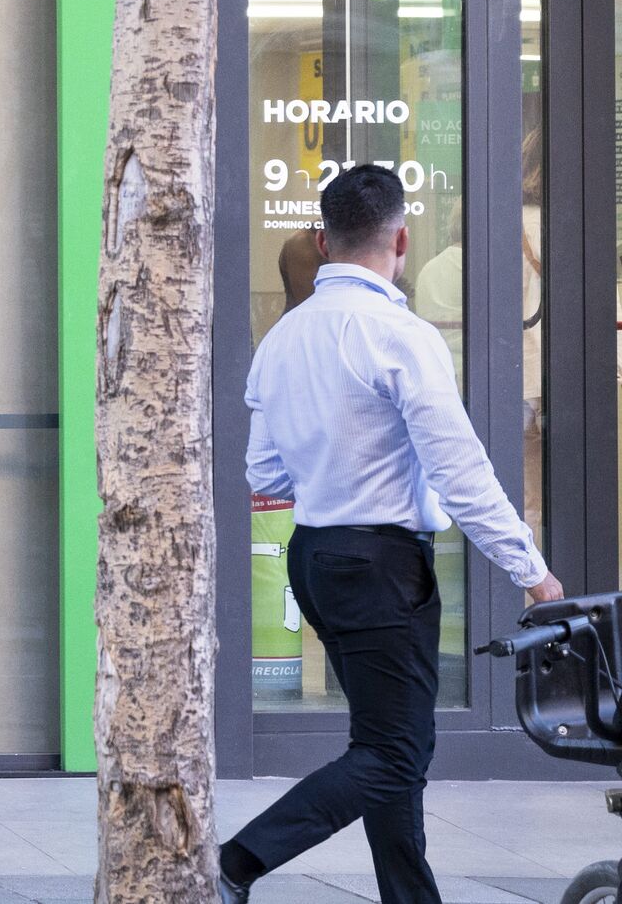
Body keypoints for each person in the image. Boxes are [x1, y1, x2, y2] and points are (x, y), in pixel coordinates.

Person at [220, 164, 560, 904]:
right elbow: (460, 472)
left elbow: (264, 471)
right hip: (380, 565)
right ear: (402, 240)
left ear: (323, 240)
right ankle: (235, 863)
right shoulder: (401, 337)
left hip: (315, 556)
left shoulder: (281, 339)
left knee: (384, 744)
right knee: (396, 752)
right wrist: (531, 571)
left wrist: (330, 467)